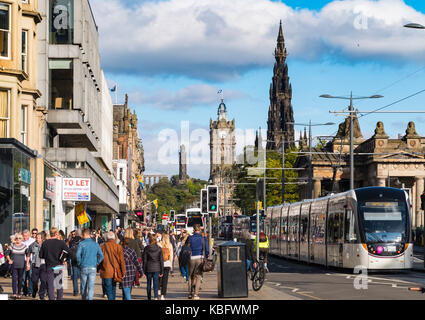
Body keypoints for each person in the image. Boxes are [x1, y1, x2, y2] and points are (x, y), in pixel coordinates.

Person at [39, 227, 69, 300]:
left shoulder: (45, 243)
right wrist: (63, 260)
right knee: (59, 284)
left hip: (49, 265)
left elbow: (41, 255)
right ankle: (59, 298)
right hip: (58, 265)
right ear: (57, 233)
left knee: (50, 285)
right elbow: (67, 253)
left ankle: (51, 298)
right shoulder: (61, 243)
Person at [76, 228, 104, 300]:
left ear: (85, 234)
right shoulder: (95, 244)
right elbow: (101, 255)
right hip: (93, 266)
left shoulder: (81, 244)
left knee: (83, 286)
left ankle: (84, 298)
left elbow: (77, 255)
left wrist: (79, 263)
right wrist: (97, 262)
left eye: (82, 235)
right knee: (91, 286)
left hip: (84, 266)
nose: (82, 236)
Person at [99, 231, 125, 300]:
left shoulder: (102, 247)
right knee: (113, 288)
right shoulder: (118, 247)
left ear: (106, 238)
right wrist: (123, 272)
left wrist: (98, 268)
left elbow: (99, 259)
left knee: (108, 289)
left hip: (106, 270)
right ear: (114, 238)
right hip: (115, 271)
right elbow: (122, 261)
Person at [187, 224, 209, 300]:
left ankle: (190, 293)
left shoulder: (190, 237)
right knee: (199, 276)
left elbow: (186, 246)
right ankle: (196, 294)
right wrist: (206, 256)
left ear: (193, 229)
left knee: (190, 276)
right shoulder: (203, 238)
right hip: (200, 258)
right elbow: (207, 250)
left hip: (191, 258)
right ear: (200, 230)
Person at [6, 233, 29, 299]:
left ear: (22, 239)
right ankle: (14, 293)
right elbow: (7, 253)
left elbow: (28, 255)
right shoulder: (12, 246)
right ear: (15, 239)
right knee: (14, 279)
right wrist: (9, 260)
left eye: (19, 238)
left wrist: (27, 263)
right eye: (16, 238)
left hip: (22, 265)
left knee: (20, 279)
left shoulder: (24, 246)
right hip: (14, 266)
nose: (18, 240)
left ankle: (19, 293)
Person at [142, 234, 163, 300]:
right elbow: (161, 260)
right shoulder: (159, 248)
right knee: (156, 284)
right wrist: (161, 271)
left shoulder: (146, 248)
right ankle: (156, 297)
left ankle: (149, 297)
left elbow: (144, 260)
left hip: (148, 268)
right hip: (157, 268)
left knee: (148, 283)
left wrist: (144, 271)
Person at [28, 233, 47, 299]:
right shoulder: (33, 245)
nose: (37, 239)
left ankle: (41, 294)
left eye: (38, 238)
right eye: (36, 238)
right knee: (34, 281)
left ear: (42, 239)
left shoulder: (45, 245)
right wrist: (27, 263)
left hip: (43, 265)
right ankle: (34, 290)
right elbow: (28, 253)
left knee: (43, 280)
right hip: (35, 264)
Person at [158, 233, 173, 300]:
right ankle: (162, 295)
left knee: (159, 278)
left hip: (159, 264)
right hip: (167, 264)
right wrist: (171, 265)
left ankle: (158, 289)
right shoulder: (170, 245)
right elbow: (171, 256)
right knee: (165, 280)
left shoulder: (159, 244)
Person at [68, 229, 83, 296]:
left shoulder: (72, 241)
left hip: (74, 260)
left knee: (75, 277)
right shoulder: (83, 241)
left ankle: (76, 291)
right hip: (82, 260)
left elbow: (70, 251)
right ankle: (82, 291)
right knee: (82, 277)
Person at [22, 229, 35, 296]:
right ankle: (25, 291)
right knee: (23, 277)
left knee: (30, 276)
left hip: (31, 260)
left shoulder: (32, 241)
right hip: (23, 261)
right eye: (24, 236)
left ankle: (30, 291)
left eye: (26, 236)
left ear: (29, 235)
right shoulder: (21, 241)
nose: (25, 237)